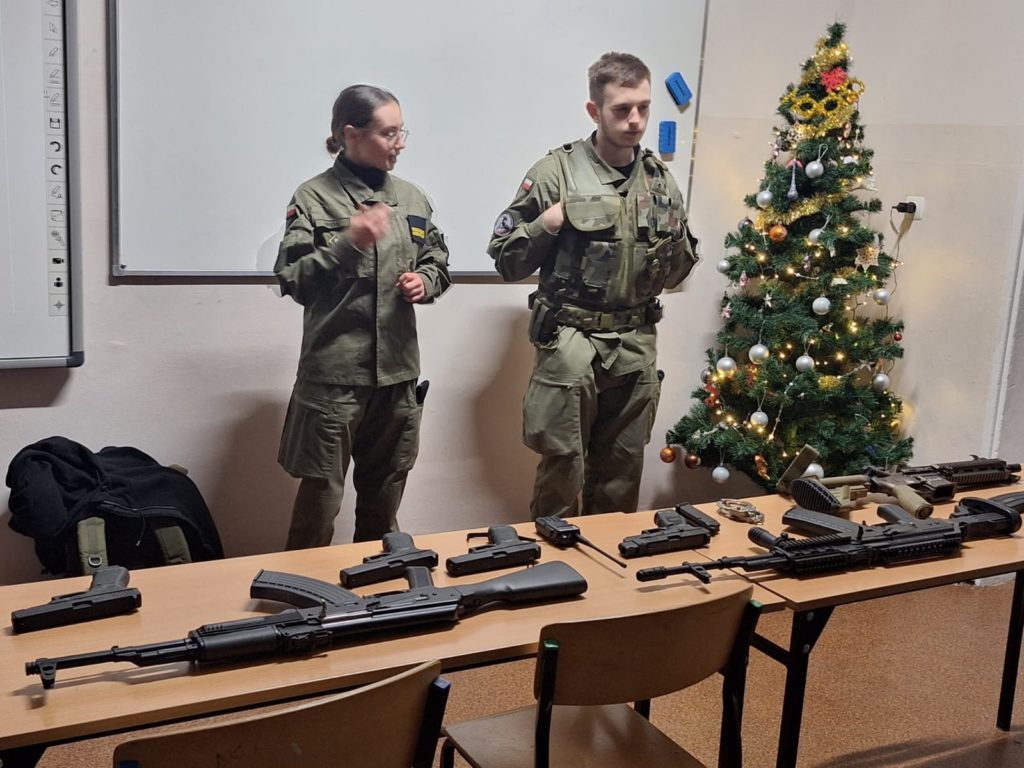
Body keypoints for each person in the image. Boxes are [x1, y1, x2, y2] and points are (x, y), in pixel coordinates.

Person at [489, 52, 699, 519]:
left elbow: (676, 271)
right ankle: (554, 559)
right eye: (621, 109)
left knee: (623, 472)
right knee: (562, 471)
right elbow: (506, 259)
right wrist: (548, 221)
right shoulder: (555, 173)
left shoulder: (660, 180)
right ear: (594, 110)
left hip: (636, 344)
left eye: (643, 107)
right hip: (571, 342)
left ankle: (610, 561)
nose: (635, 120)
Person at [274, 84, 451, 547]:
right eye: (388, 133)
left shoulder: (412, 198)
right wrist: (348, 243)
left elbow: (437, 260)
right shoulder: (314, 198)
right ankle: (302, 591)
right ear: (351, 134)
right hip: (335, 380)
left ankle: (379, 584)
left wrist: (426, 281)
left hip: (397, 376)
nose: (400, 143)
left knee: (383, 504)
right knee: (319, 507)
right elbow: (294, 279)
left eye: (402, 131)